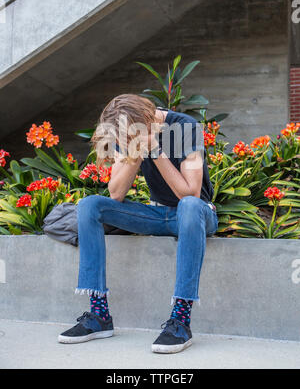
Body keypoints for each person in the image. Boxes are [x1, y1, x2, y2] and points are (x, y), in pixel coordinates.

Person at [58, 93, 218, 353]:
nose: (123, 143)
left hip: (196, 215)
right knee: (90, 205)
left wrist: (155, 149)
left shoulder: (187, 127)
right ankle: (99, 315)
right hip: (157, 216)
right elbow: (116, 193)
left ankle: (180, 321)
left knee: (188, 206)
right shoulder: (131, 132)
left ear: (145, 119)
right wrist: (135, 150)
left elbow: (190, 193)